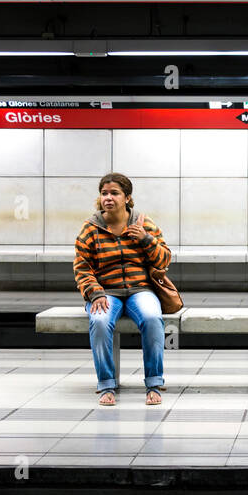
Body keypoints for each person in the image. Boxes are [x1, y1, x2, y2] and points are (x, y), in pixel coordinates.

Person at [73, 172, 171, 406]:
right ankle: (107, 385)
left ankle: (154, 383)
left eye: (114, 193)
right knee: (99, 320)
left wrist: (146, 239)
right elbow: (82, 267)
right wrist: (95, 293)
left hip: (140, 290)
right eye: (104, 193)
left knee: (151, 317)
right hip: (105, 291)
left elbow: (164, 260)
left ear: (127, 197)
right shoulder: (90, 228)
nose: (108, 198)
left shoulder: (143, 223)